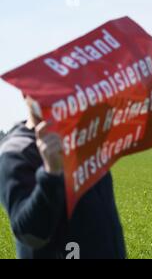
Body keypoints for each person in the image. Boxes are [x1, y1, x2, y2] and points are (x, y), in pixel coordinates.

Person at [0, 95, 126, 259]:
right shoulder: (17, 151)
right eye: (43, 85)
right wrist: (51, 173)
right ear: (25, 93)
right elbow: (30, 234)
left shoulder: (84, 138)